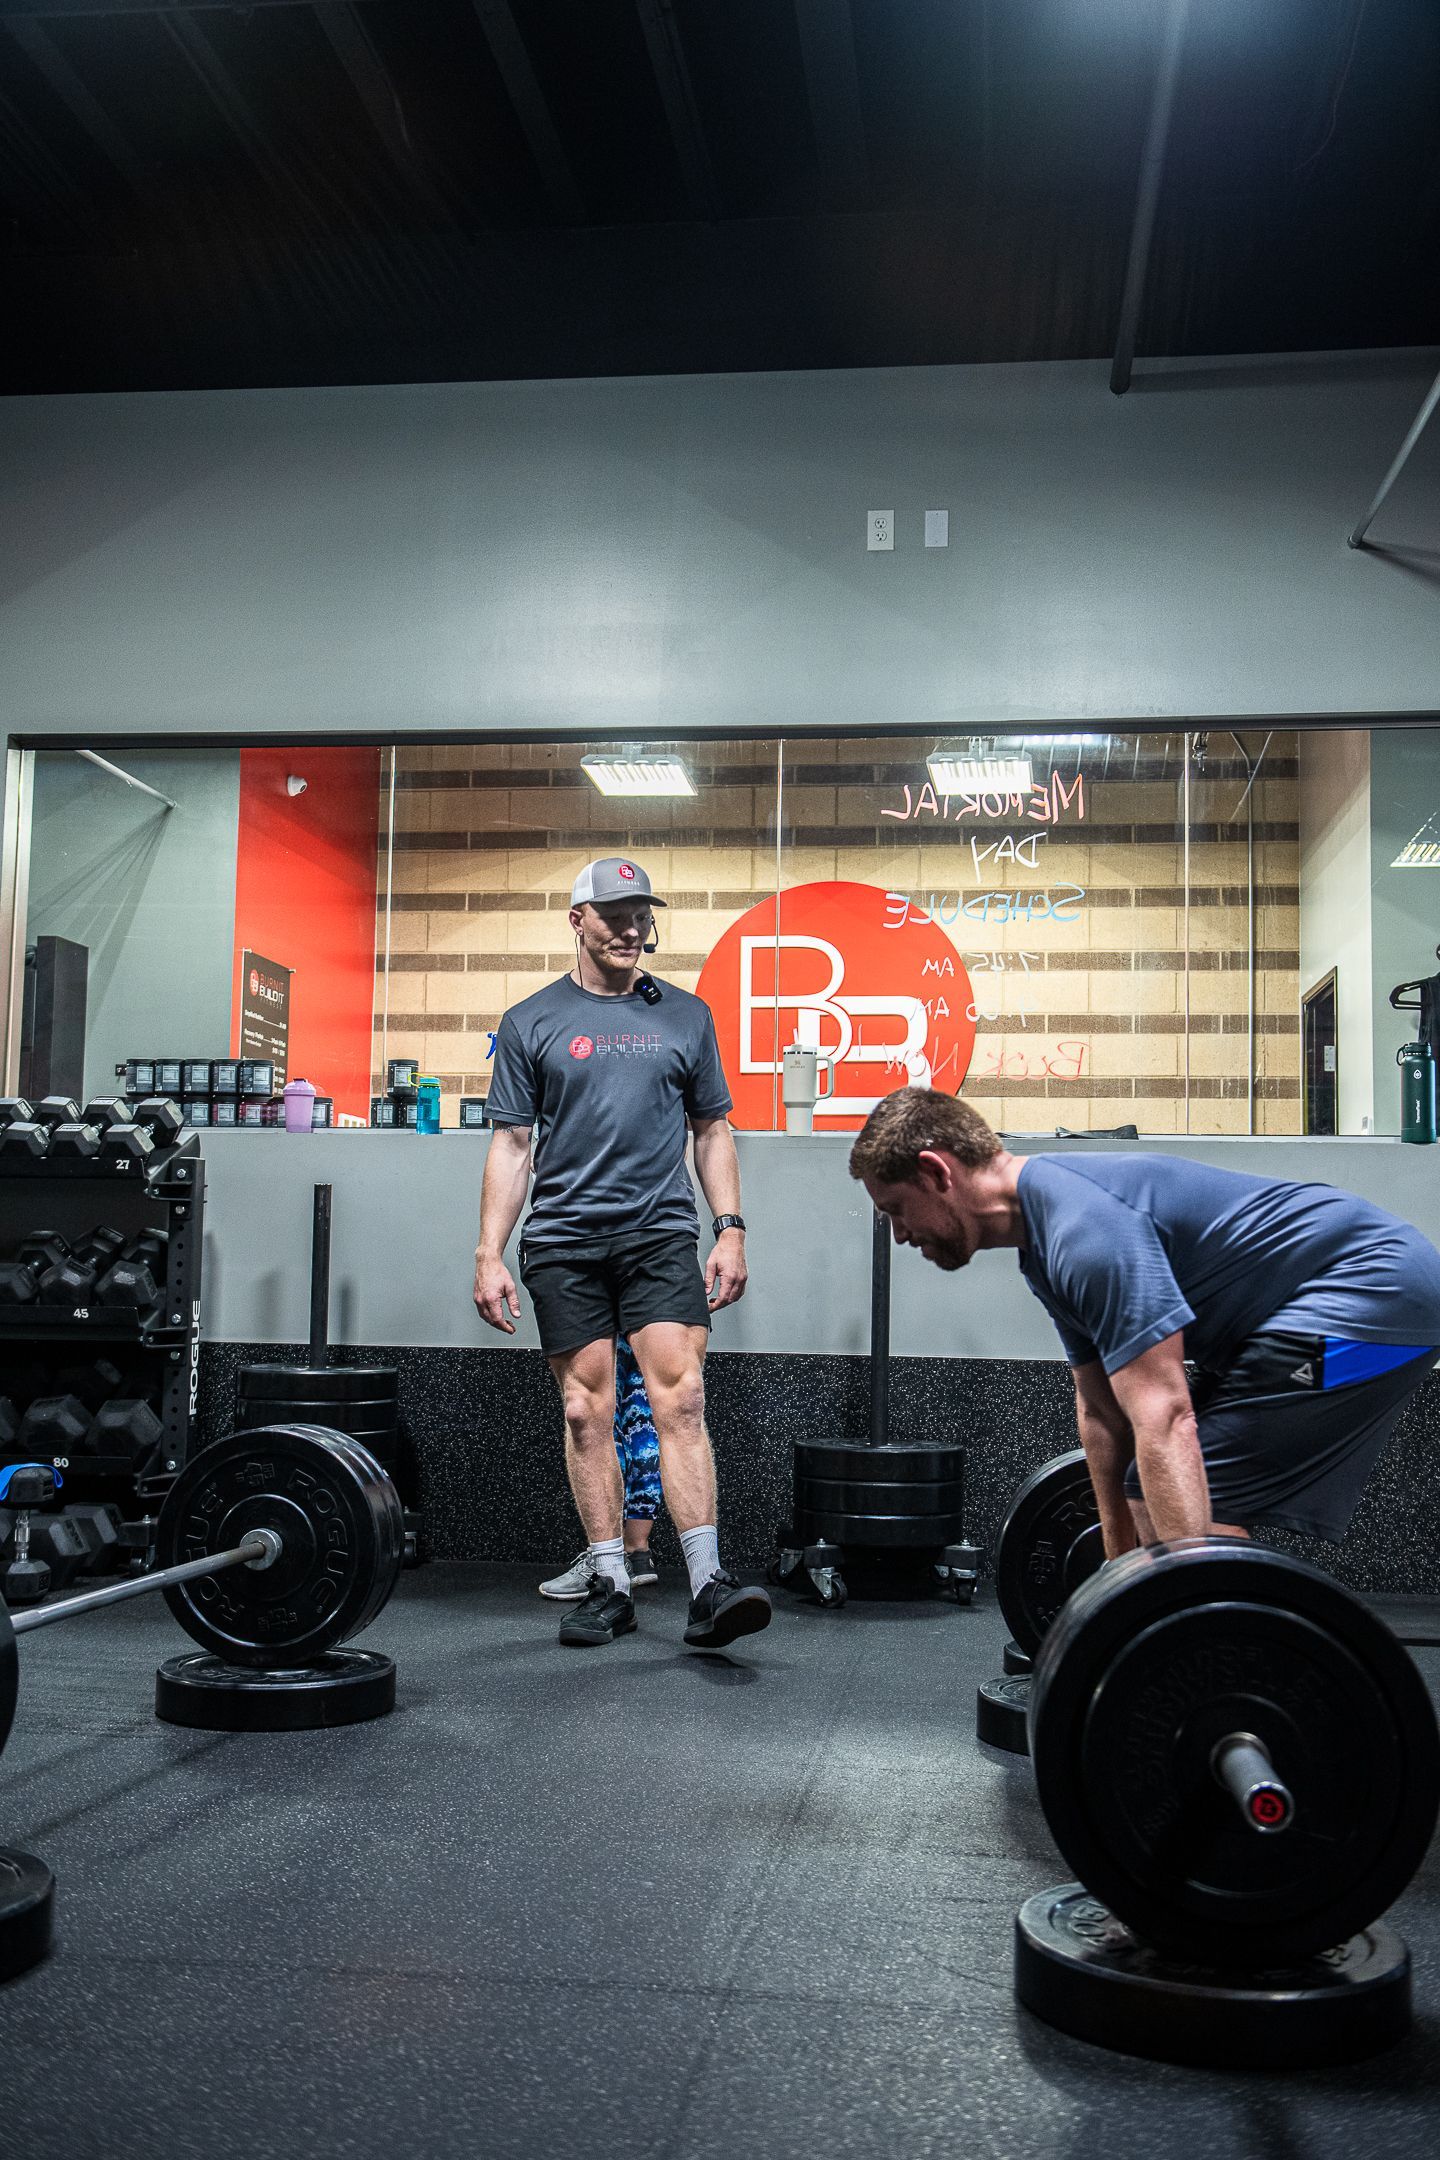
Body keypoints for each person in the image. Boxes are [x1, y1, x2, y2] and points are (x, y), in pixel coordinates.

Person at [849, 1088, 1440, 1557]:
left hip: (1378, 1310)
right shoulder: (1044, 1248)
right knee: (1153, 1489)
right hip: (1334, 1313)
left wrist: (1169, 1608)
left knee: (1197, 1498)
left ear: (935, 1172)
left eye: (897, 1210)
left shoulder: (1087, 1233)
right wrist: (1116, 1570)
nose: (901, 1234)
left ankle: (1234, 1678)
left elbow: (1166, 1415)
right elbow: (1102, 1413)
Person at [474, 855, 772, 1651]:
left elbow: (713, 1128)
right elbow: (511, 1143)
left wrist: (731, 1226)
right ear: (578, 921)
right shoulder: (531, 1020)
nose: (633, 929)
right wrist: (488, 1251)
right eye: (615, 915)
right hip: (565, 1241)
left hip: (658, 1233)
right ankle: (611, 1582)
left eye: (642, 914)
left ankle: (708, 1584)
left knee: (681, 1399)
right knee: (585, 1411)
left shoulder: (686, 1016)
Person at [540, 1336, 663, 1597]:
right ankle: (638, 1553)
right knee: (643, 1417)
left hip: (603, 1305)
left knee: (601, 1419)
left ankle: (608, 1558)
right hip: (650, 1305)